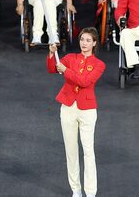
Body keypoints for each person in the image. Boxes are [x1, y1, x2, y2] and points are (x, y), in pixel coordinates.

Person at [47, 28, 105, 197]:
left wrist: (65, 70)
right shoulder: (70, 58)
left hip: (87, 110)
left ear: (94, 43)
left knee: (88, 151)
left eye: (88, 40)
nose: (84, 43)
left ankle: (91, 192)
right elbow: (52, 69)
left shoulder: (99, 64)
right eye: (82, 39)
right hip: (67, 107)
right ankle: (76, 190)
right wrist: (51, 54)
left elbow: (85, 81)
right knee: (71, 151)